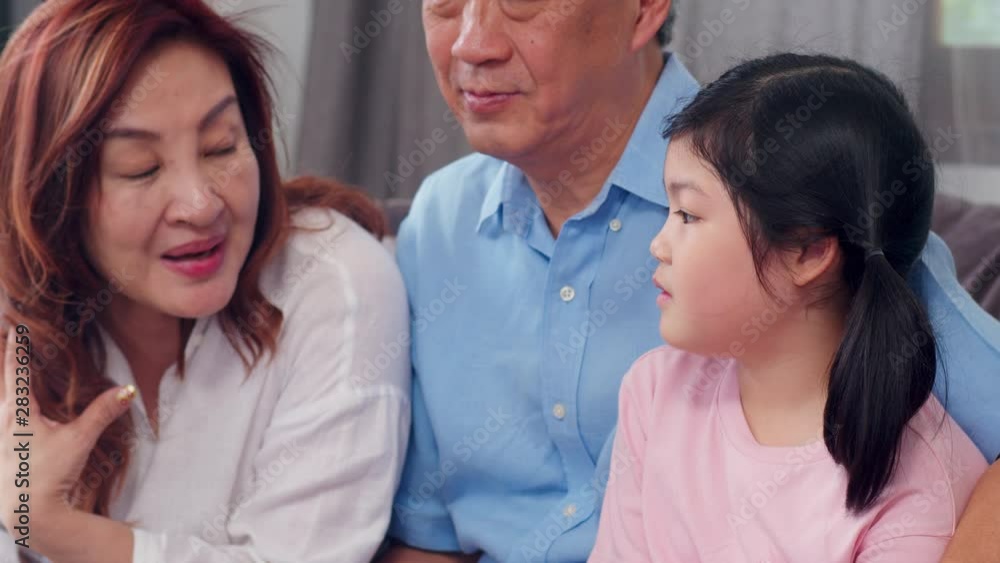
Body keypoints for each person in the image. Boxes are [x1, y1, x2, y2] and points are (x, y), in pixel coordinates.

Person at [382, 1, 1000, 562]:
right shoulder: (440, 224)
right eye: (444, 2)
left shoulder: (797, 195)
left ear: (645, 8)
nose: (472, 43)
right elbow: (427, 535)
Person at [0, 1, 409, 561]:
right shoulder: (15, 316)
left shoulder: (335, 281)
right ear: (51, 197)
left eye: (222, 147)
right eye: (141, 168)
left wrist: (53, 528)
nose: (199, 204)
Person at [589, 52, 988, 562]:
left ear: (808, 251)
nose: (659, 245)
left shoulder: (919, 475)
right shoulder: (654, 392)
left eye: (688, 215)